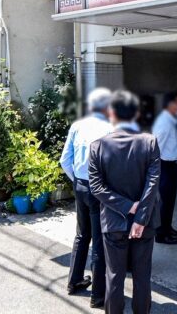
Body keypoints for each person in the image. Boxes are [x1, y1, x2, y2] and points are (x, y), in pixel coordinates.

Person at [89, 90, 161, 314]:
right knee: (142, 277)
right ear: (137, 113)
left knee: (114, 277)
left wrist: (126, 207)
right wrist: (139, 216)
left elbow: (97, 188)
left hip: (113, 222)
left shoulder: (97, 146)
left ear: (111, 113)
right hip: (146, 222)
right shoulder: (150, 142)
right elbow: (152, 184)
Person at [60, 88, 113, 309]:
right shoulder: (110, 129)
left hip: (80, 185)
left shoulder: (77, 126)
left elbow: (65, 161)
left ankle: (74, 281)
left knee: (82, 235)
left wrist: (77, 181)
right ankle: (98, 295)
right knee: (100, 240)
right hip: (99, 189)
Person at [151, 91, 177, 244]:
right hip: (164, 166)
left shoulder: (170, 120)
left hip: (171, 165)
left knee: (170, 200)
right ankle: (161, 234)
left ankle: (168, 227)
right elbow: (155, 147)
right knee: (164, 202)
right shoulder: (164, 123)